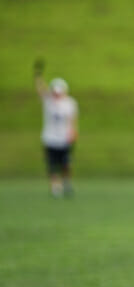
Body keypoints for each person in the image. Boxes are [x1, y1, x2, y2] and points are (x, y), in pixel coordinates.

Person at [34, 59, 78, 198]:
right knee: (52, 165)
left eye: (59, 92)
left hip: (64, 138)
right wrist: (38, 76)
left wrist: (73, 132)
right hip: (50, 138)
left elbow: (72, 120)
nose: (57, 95)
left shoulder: (70, 103)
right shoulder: (48, 102)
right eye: (55, 92)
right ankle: (55, 187)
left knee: (66, 164)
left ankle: (66, 182)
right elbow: (41, 90)